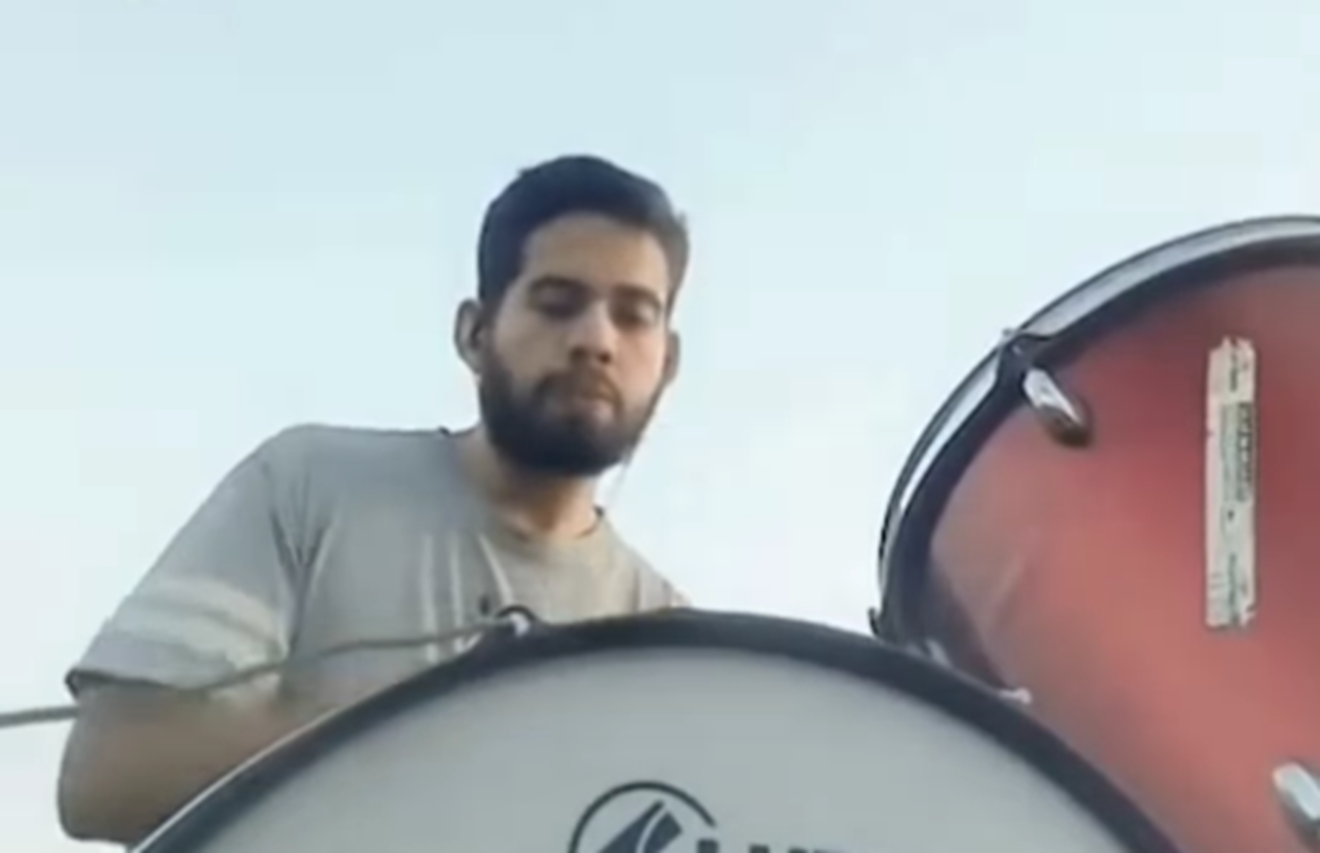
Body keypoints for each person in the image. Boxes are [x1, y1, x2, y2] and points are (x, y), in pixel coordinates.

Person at [56, 154, 692, 846]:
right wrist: (431, 732)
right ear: (474, 333)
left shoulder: (673, 639)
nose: (597, 340)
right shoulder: (312, 486)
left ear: (667, 362)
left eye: (634, 316)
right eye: (557, 303)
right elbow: (107, 776)